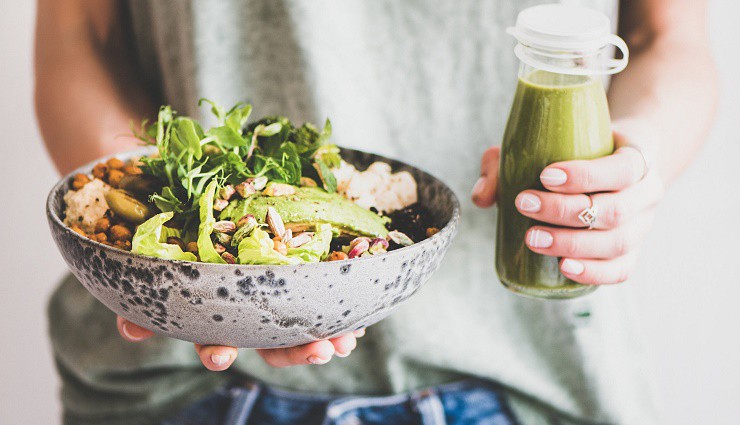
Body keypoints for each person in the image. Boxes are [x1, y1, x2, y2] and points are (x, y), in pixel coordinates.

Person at [35, 0, 717, 424]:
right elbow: (77, 39)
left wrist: (634, 161)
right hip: (179, 388)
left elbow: (668, 35)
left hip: (528, 378)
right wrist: (137, 253)